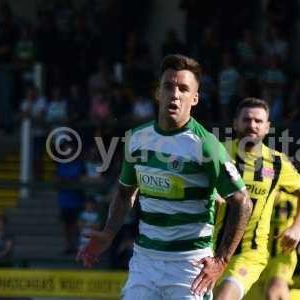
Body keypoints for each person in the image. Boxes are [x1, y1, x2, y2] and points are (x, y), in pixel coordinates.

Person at [77, 54, 253, 299]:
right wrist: (108, 233)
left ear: (195, 98)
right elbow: (126, 192)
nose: (175, 94)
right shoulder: (137, 139)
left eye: (184, 89)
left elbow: (242, 201)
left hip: (189, 267)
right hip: (144, 261)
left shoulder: (206, 145)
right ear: (158, 92)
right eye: (169, 86)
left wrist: (221, 260)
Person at [214, 98, 300, 300]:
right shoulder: (217, 152)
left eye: (258, 121)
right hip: (208, 246)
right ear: (235, 123)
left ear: (267, 127)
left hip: (248, 253)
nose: (252, 125)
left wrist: (297, 227)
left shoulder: (277, 162)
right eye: (247, 120)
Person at [255, 190, 300, 300]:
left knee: (272, 294)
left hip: (284, 254)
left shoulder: (291, 199)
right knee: (280, 296)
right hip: (264, 255)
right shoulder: (262, 195)